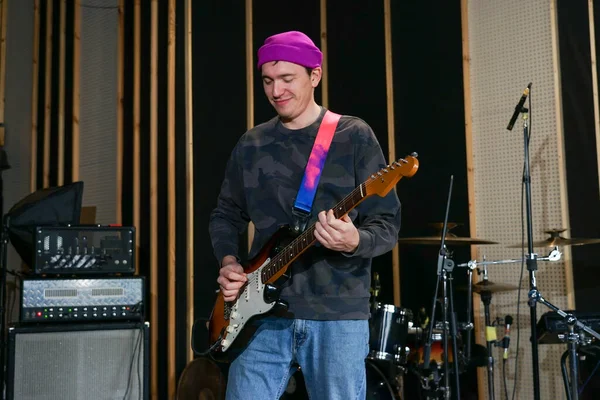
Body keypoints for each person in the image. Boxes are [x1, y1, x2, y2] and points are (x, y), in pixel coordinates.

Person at [209, 30, 401, 400]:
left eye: (286, 79)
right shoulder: (251, 144)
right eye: (267, 80)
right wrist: (230, 262)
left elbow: (387, 223)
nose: (276, 91)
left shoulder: (353, 136)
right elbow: (225, 214)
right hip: (258, 316)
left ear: (315, 75)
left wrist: (355, 239)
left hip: (337, 315)